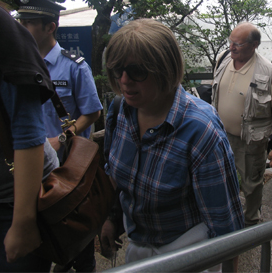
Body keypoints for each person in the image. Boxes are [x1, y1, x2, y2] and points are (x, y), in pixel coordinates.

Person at [101, 19, 244, 265]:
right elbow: (118, 181)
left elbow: (226, 227)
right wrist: (113, 219)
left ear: (164, 68)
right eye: (117, 70)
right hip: (139, 250)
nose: (124, 80)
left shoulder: (200, 130)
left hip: (186, 256)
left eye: (136, 70)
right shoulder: (120, 110)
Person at [15, 0, 103, 273]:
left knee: (78, 236)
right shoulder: (19, 66)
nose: (21, 27)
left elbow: (93, 111)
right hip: (31, 168)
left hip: (68, 168)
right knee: (39, 236)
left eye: (27, 22)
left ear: (49, 27)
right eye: (20, 20)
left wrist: (61, 138)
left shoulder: (74, 66)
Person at [0, 0, 57, 272]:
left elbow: (28, 131)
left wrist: (23, 221)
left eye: (30, 22)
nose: (25, 26)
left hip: (12, 202)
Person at [212, 22, 272, 227]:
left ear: (254, 45)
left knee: (252, 183)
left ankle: (252, 220)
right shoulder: (224, 60)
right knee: (222, 178)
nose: (231, 47)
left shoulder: (268, 71)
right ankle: (228, 215)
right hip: (220, 136)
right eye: (230, 42)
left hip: (251, 141)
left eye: (238, 44)